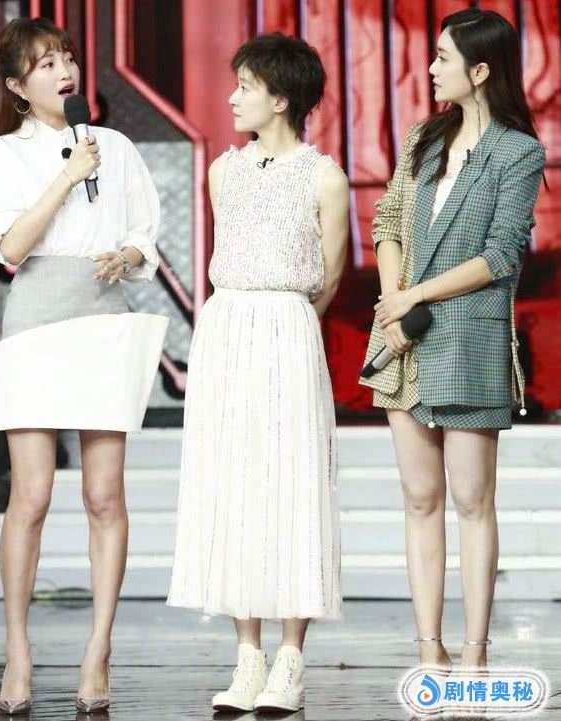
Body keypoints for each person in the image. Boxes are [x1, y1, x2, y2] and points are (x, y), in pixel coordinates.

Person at [0, 17, 167, 714]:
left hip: (102, 312)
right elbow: (9, 247)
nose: (64, 71)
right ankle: (17, 651)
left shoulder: (115, 146)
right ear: (17, 85)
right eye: (45, 63)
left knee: (104, 495)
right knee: (31, 495)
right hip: (34, 317)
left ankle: (98, 649)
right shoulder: (0, 156)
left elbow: (145, 235)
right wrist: (66, 175)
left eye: (67, 58)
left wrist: (127, 256)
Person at [167, 32, 349, 713]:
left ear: (281, 97)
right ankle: (248, 658)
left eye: (245, 86)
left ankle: (291, 661)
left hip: (288, 330)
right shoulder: (224, 171)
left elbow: (328, 277)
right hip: (226, 329)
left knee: (292, 484)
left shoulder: (325, 177)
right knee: (234, 483)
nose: (231, 98)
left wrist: (287, 324)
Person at [360, 8, 546, 669]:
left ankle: (474, 652)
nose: (432, 67)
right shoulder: (423, 139)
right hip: (401, 337)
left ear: (481, 70)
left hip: (467, 336)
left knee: (471, 500)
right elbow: (387, 219)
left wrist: (413, 297)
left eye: (443, 57)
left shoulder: (518, 152)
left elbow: (500, 255)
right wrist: (393, 302)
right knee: (419, 499)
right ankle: (428, 648)